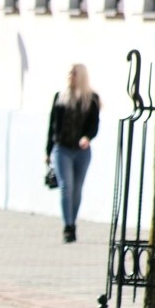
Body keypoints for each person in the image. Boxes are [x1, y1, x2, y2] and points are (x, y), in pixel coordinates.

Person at [45, 63, 100, 243]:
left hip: (82, 151)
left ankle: (73, 221)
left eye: (74, 74)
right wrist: (48, 151)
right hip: (62, 149)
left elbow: (94, 125)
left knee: (77, 189)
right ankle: (68, 225)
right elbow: (52, 125)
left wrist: (87, 137)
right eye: (69, 73)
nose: (71, 76)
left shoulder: (91, 99)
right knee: (66, 188)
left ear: (82, 76)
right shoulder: (60, 97)